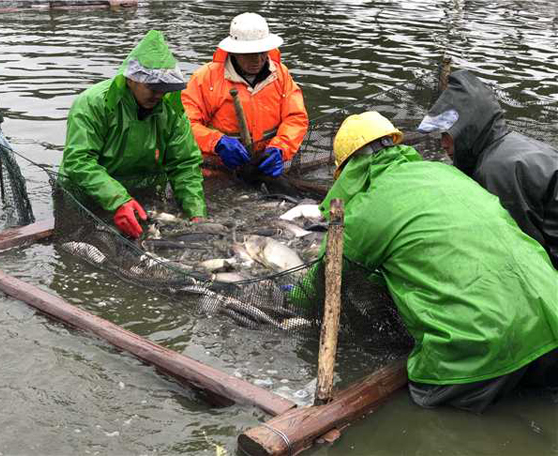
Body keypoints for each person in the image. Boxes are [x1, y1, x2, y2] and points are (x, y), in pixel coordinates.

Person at [307, 111, 558, 413]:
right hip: (552, 318)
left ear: (348, 170)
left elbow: (325, 279)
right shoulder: (447, 174)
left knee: (419, 407)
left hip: (480, 350)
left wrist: (289, 298)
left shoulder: (365, 209)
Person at [59, 30, 206, 239]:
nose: (159, 94)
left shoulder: (171, 110)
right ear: (130, 79)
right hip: (87, 193)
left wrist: (196, 213)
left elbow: (184, 165)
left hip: (139, 194)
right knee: (82, 244)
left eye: (164, 88)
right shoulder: (92, 103)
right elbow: (78, 161)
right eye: (152, 87)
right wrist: (118, 200)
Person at [418, 69, 558, 268]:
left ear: (467, 129)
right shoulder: (512, 143)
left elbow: (524, 251)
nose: (443, 144)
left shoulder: (495, 170)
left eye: (447, 134)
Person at [181, 12, 309, 177]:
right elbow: (184, 126)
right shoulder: (205, 78)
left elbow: (296, 118)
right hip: (218, 171)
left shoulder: (281, 74)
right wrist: (216, 142)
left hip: (265, 166)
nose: (257, 59)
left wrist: (280, 148)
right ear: (233, 52)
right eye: (249, 53)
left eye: (262, 51)